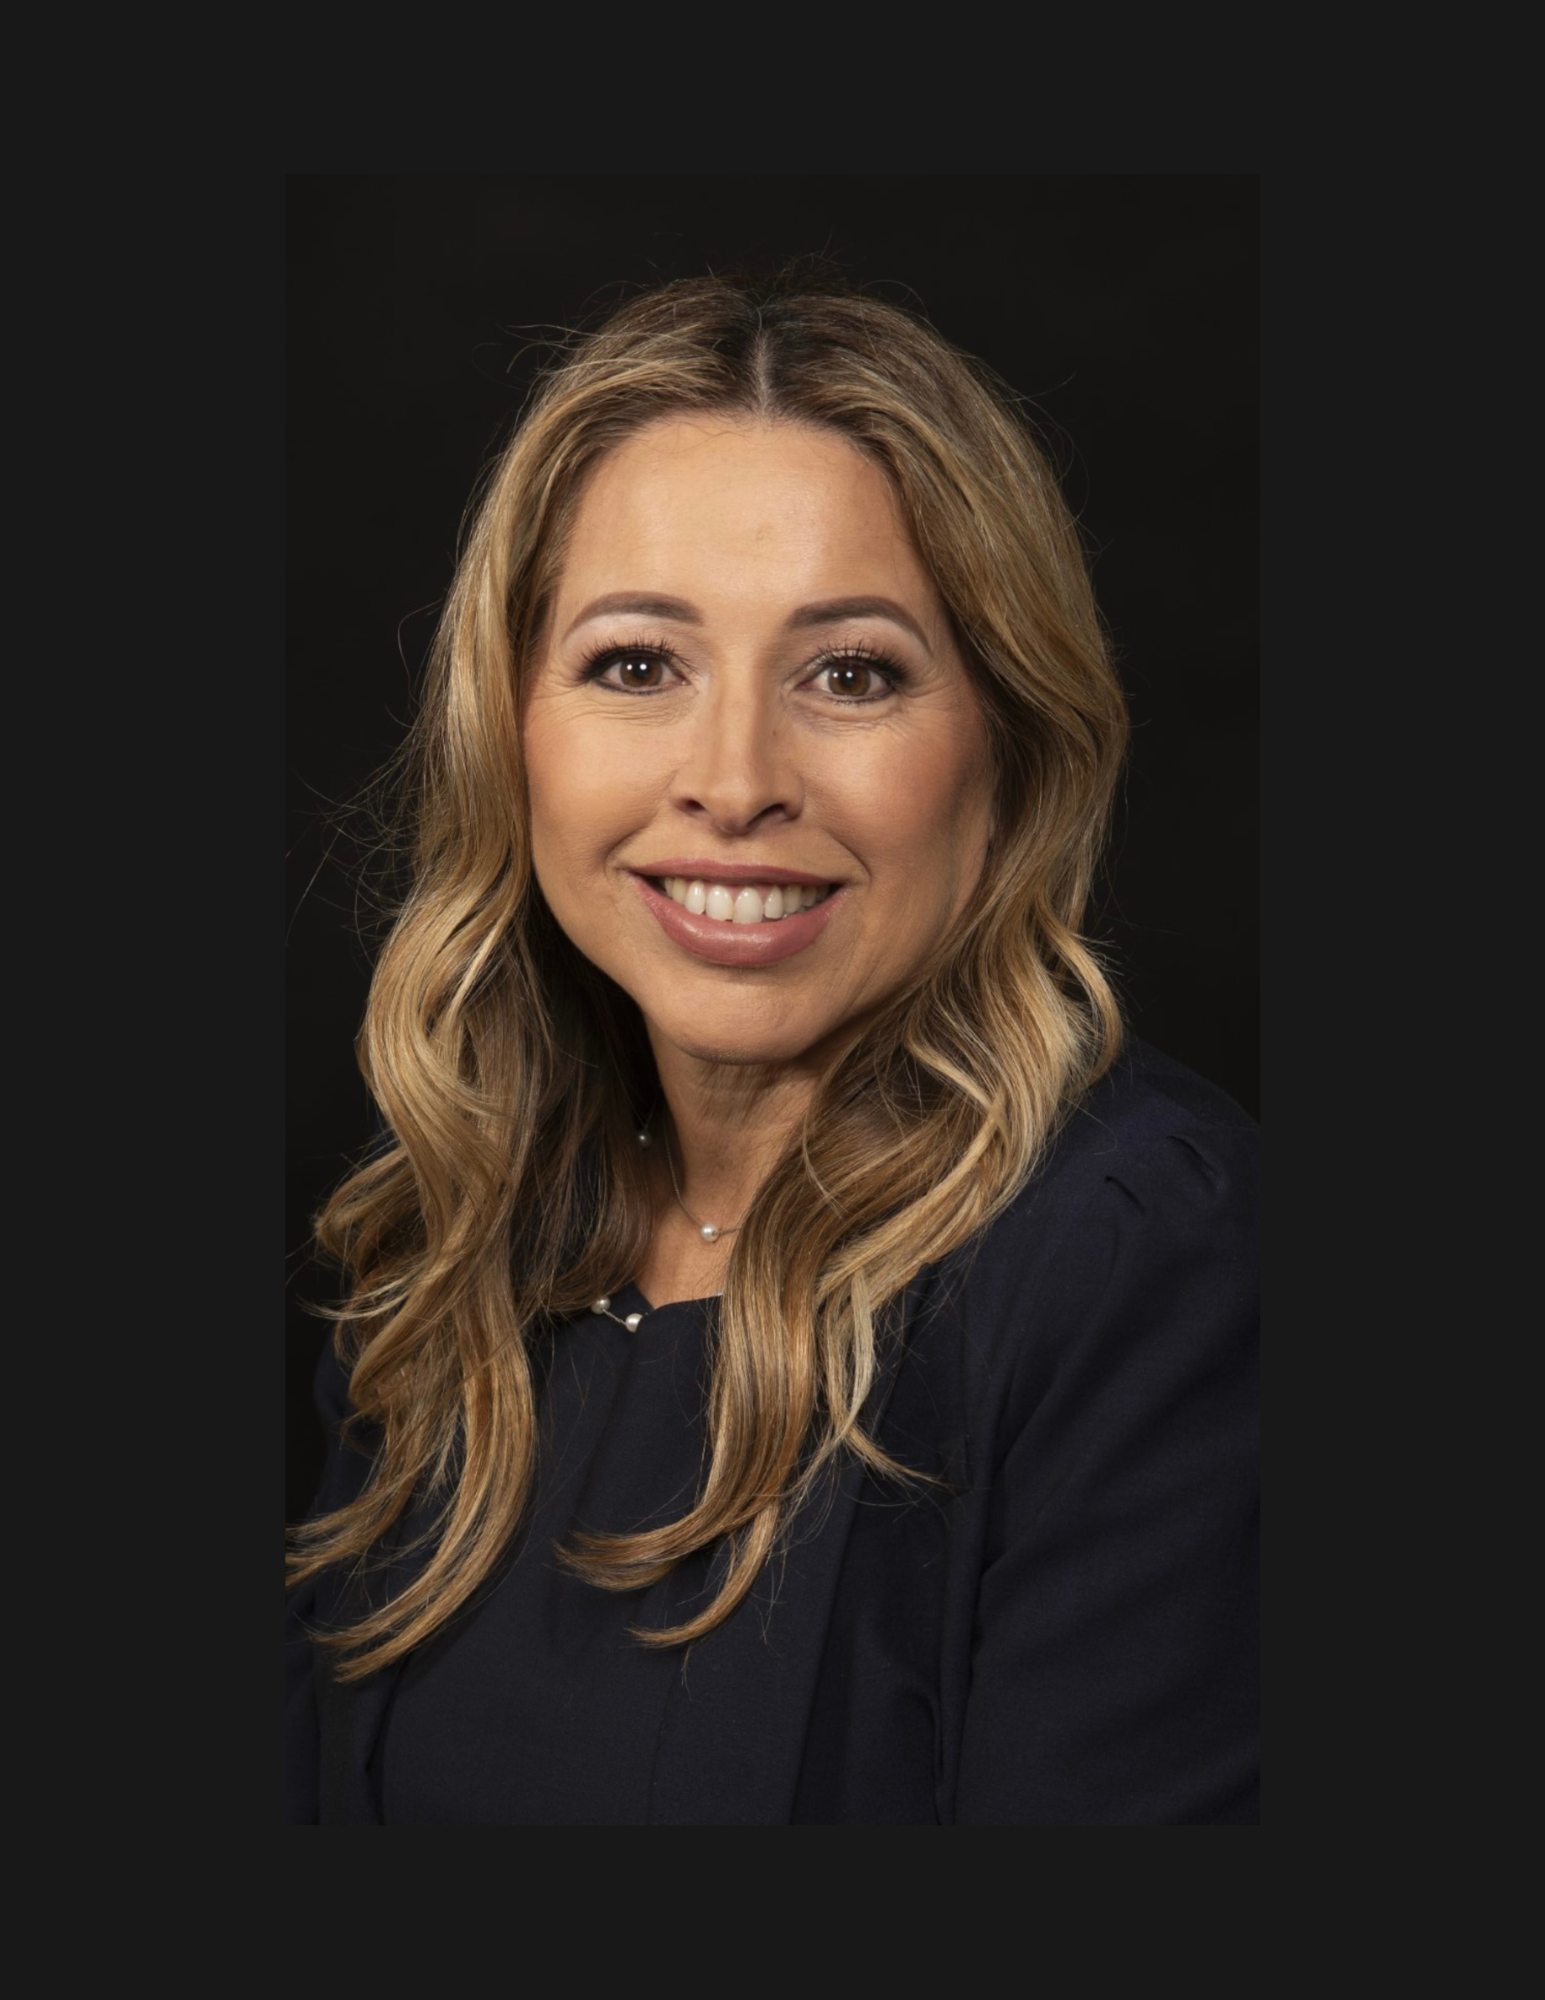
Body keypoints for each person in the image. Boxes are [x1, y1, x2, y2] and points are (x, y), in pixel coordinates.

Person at [286, 271, 1258, 1825]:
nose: (735, 781)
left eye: (851, 674)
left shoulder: (1143, 1259)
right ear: (509, 728)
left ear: (1007, 748)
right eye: (636, 665)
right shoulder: (453, 1244)